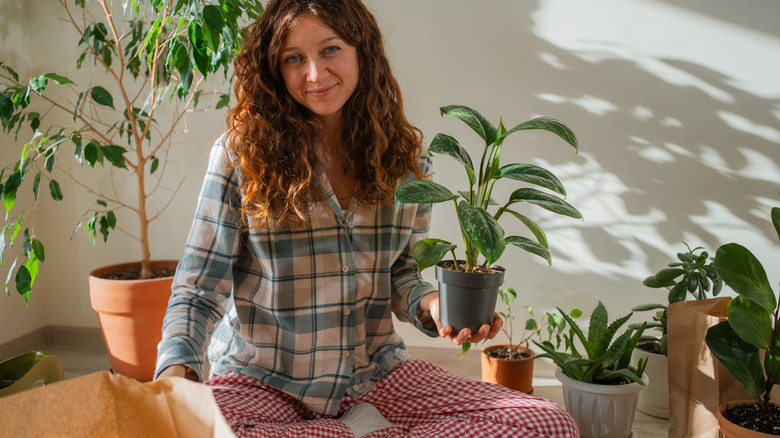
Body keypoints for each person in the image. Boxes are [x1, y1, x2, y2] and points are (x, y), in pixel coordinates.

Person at [155, 0, 579, 436]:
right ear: (274, 70)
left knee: (546, 421)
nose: (315, 74)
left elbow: (401, 274)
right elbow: (198, 289)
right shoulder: (239, 156)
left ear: (363, 52)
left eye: (331, 50)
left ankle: (360, 428)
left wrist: (434, 306)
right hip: (260, 383)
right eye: (294, 59)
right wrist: (174, 372)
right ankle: (366, 431)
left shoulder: (408, 163)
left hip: (373, 378)